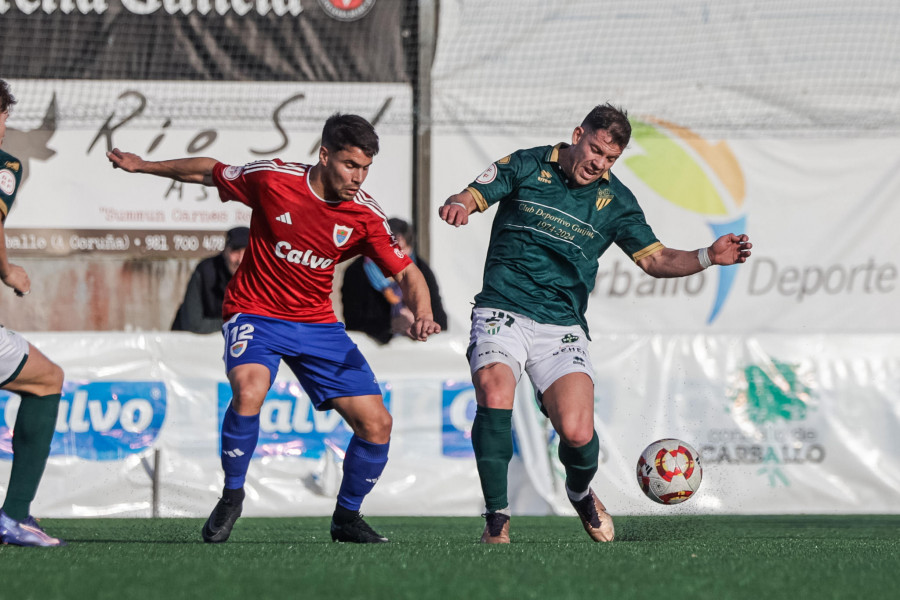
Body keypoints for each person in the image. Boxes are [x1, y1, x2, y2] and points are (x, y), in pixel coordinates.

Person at [107, 113, 441, 544]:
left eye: (365, 168)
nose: (358, 177)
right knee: (249, 391)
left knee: (377, 425)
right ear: (324, 155)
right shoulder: (272, 179)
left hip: (316, 323)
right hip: (255, 312)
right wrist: (145, 166)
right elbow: (209, 171)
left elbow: (408, 274)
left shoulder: (364, 215)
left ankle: (346, 518)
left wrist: (424, 312)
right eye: (349, 165)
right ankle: (231, 496)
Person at [439, 103, 752, 544]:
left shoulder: (616, 201)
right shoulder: (528, 163)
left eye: (610, 159)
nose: (598, 163)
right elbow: (475, 192)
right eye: (596, 150)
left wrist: (708, 256)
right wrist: (461, 203)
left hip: (561, 326)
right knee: (494, 392)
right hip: (501, 310)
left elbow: (657, 259)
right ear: (578, 134)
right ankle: (497, 518)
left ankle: (580, 493)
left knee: (577, 432)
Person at [0, 79, 66, 547]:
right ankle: (14, 515)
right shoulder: (4, 166)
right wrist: (8, 271)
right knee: (47, 380)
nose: (4, 125)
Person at [341, 217, 448, 344]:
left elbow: (441, 321)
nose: (398, 258)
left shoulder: (421, 271)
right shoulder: (358, 272)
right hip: (375, 351)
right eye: (393, 251)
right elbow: (353, 322)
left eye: (403, 251)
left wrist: (420, 323)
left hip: (416, 351)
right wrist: (391, 324)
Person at [171, 226, 249, 333]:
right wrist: (235, 323)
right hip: (199, 345)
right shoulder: (205, 272)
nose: (240, 260)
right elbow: (192, 324)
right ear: (224, 251)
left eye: (246, 252)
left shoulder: (264, 277)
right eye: (235, 251)